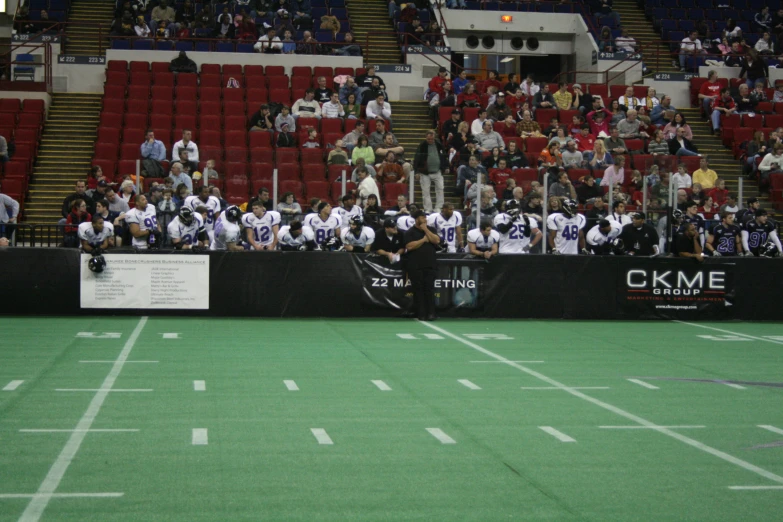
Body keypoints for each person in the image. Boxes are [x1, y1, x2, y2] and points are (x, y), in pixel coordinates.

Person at [403, 210, 441, 321]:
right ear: (416, 219)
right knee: (418, 289)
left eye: (425, 217)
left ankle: (431, 313)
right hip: (415, 265)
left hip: (430, 265)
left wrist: (426, 230)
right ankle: (421, 313)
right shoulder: (410, 232)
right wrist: (423, 240)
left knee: (429, 289)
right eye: (422, 217)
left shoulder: (431, 230)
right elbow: (409, 246)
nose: (424, 219)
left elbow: (436, 240)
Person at [413, 131, 448, 213]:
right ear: (426, 138)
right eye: (428, 139)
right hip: (425, 173)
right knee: (425, 191)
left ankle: (439, 207)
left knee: (440, 189)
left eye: (431, 139)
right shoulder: (422, 146)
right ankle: (428, 208)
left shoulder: (439, 145)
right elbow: (417, 158)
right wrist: (417, 171)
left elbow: (444, 156)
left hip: (437, 171)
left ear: (434, 137)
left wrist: (446, 166)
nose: (430, 140)